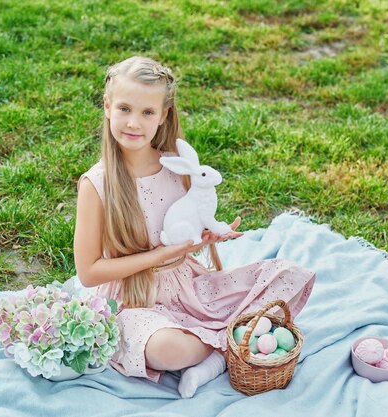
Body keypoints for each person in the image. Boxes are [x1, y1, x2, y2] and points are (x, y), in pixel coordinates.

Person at [74, 56, 315, 398]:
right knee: (169, 350)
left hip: (186, 285)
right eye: (125, 108)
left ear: (163, 116)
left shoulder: (176, 166)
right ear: (108, 107)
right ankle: (222, 349)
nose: (134, 122)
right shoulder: (97, 185)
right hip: (134, 298)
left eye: (147, 112)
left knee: (287, 275)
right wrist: (159, 255)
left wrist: (206, 236)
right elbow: (89, 272)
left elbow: (183, 225)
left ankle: (215, 349)